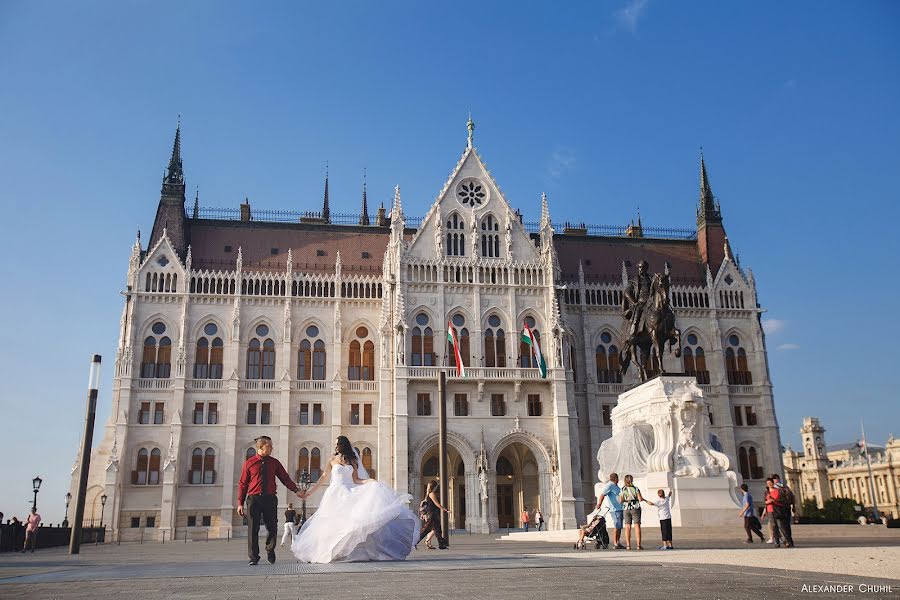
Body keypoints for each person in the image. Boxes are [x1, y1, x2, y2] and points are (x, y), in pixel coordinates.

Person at [292, 436, 419, 563]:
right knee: (333, 523)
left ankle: (348, 551)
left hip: (349, 491)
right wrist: (310, 492)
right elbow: (323, 477)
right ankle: (329, 551)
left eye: (338, 444)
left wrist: (370, 481)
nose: (335, 446)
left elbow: (356, 479)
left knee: (353, 522)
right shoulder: (332, 460)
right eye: (335, 444)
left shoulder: (352, 460)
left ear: (343, 445)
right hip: (335, 494)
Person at [237, 436, 302, 565]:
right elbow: (243, 484)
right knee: (252, 529)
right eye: (269, 446)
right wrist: (240, 503)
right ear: (261, 447)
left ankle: (270, 549)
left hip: (270, 498)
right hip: (254, 499)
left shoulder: (274, 463)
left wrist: (296, 490)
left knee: (272, 527)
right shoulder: (249, 463)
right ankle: (253, 557)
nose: (272, 448)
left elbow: (285, 478)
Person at [416, 480, 450, 550]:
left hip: (432, 514)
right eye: (436, 486)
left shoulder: (428, 494)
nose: (437, 487)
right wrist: (445, 510)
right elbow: (437, 504)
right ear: (434, 487)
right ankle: (415, 542)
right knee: (426, 530)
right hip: (432, 514)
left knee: (437, 530)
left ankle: (441, 545)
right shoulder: (432, 494)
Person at [596, 473, 624, 549]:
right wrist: (599, 504)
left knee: (619, 526)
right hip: (615, 509)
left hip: (620, 508)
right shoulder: (609, 485)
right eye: (617, 478)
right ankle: (615, 543)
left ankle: (618, 542)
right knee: (617, 525)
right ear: (615, 478)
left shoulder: (616, 486)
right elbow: (602, 494)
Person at [619, 475, 646, 550]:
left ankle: (628, 545)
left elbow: (620, 500)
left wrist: (626, 500)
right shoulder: (635, 489)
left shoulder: (622, 489)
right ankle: (638, 545)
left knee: (627, 527)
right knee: (637, 526)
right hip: (635, 508)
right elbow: (640, 499)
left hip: (626, 508)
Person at [770, 474, 795, 548]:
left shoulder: (776, 488)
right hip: (785, 508)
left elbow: (791, 497)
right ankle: (788, 541)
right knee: (785, 526)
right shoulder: (785, 487)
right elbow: (792, 497)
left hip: (780, 508)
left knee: (782, 526)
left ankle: (786, 541)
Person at [763, 478, 782, 547]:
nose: (769, 485)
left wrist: (772, 501)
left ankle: (783, 539)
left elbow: (779, 500)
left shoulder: (778, 490)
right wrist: (769, 501)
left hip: (777, 509)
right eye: (768, 484)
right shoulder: (766, 492)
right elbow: (764, 501)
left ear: (773, 483)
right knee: (774, 526)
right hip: (770, 510)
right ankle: (777, 541)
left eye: (770, 483)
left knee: (780, 525)